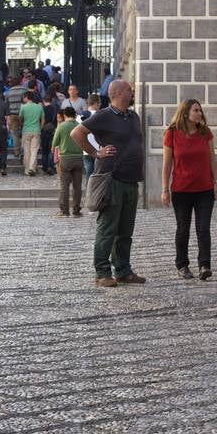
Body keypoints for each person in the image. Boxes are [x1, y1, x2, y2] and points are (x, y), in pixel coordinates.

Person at [69, 79, 146, 287]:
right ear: (120, 93)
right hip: (112, 179)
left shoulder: (133, 117)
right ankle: (102, 272)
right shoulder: (104, 115)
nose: (133, 92)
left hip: (131, 180)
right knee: (107, 228)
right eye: (130, 90)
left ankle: (123, 270)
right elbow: (77, 133)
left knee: (126, 230)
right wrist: (95, 153)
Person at [160, 98, 217, 281]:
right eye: (196, 110)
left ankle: (204, 265)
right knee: (182, 229)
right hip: (181, 189)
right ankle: (182, 265)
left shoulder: (205, 133)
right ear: (186, 113)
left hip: (204, 189)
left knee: (203, 229)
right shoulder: (171, 134)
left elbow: (212, 159)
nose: (199, 114)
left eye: (200, 111)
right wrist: (164, 189)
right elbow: (167, 163)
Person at [53, 107, 84, 218]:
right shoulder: (80, 126)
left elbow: (55, 143)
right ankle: (76, 211)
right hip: (78, 158)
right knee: (77, 186)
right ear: (75, 115)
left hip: (65, 158)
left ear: (65, 115)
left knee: (64, 186)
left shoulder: (61, 126)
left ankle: (64, 211)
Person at [19, 89, 44, 175]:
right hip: (36, 130)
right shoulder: (39, 107)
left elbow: (20, 118)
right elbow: (43, 120)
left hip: (26, 130)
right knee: (34, 150)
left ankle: (27, 170)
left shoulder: (23, 107)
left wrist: (22, 124)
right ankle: (32, 168)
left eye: (23, 97)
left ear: (26, 97)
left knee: (27, 151)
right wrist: (40, 128)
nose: (23, 99)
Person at [39, 84, 59, 175]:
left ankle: (44, 167)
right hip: (52, 129)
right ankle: (51, 166)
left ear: (43, 101)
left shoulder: (41, 109)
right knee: (51, 149)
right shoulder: (55, 109)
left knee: (44, 150)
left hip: (43, 130)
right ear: (51, 100)